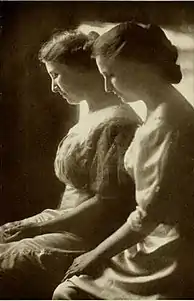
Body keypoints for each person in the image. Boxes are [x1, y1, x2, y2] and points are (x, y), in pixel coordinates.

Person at [53, 22, 194, 300]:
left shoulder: (167, 125)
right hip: (162, 239)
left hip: (173, 252)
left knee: (67, 291)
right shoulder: (162, 111)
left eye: (112, 75)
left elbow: (147, 217)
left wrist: (94, 255)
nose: (106, 85)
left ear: (139, 67)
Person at [0, 29, 141, 299]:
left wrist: (38, 228)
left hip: (87, 235)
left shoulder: (118, 122)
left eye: (56, 74)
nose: (53, 86)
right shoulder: (94, 113)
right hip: (62, 221)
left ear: (84, 70)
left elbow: (107, 204)